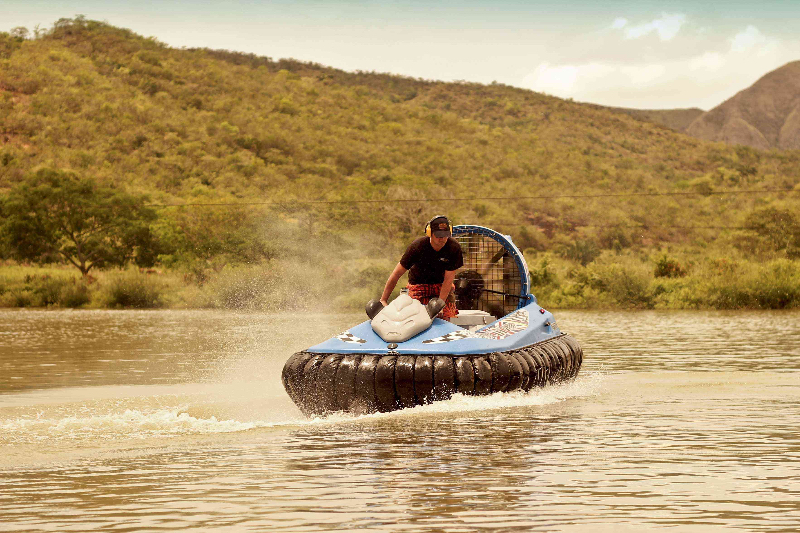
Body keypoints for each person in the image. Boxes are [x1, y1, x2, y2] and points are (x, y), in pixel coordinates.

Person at [380, 215, 463, 320]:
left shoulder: (454, 248)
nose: (442, 239)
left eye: (446, 235)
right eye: (439, 235)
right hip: (419, 285)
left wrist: (440, 304)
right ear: (430, 233)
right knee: (415, 317)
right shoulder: (417, 247)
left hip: (442, 286)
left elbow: (448, 279)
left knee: (446, 317)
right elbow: (396, 274)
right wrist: (383, 300)